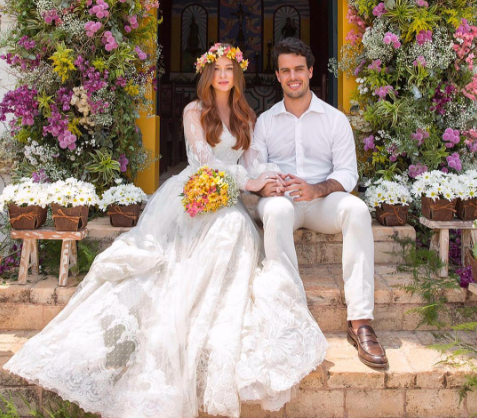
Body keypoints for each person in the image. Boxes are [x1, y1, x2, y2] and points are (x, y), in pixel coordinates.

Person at [5, 43, 328, 418]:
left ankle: (207, 304)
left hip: (230, 196)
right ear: (207, 74)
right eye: (217, 68)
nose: (224, 75)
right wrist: (251, 183)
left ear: (237, 74)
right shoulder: (196, 112)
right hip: (197, 192)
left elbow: (254, 163)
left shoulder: (246, 115)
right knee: (223, 228)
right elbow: (204, 163)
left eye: (229, 68)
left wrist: (265, 183)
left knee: (237, 225)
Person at [254, 37, 388, 370]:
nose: (293, 76)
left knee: (356, 209)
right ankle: (288, 314)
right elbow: (254, 168)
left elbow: (348, 172)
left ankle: (360, 322)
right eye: (285, 70)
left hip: (320, 201)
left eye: (299, 68)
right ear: (278, 76)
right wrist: (271, 181)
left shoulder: (334, 119)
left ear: (311, 71)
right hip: (280, 201)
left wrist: (316, 189)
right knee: (279, 209)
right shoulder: (266, 121)